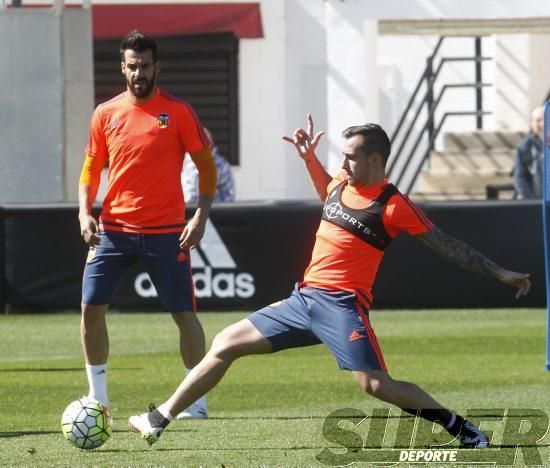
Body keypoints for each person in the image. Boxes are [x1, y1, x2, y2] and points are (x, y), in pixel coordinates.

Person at [128, 115, 531, 447]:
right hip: (303, 300)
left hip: (343, 306)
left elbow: (447, 245)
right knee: (224, 344)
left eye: (352, 157)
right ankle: (160, 418)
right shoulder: (342, 179)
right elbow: (330, 198)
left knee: (375, 384)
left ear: (375, 159)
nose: (344, 163)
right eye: (342, 156)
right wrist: (309, 159)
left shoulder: (392, 205)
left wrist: (500, 272)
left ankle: (461, 428)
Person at [78, 30, 217, 421]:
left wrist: (200, 216)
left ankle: (196, 402)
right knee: (90, 309)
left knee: (184, 315)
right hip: (113, 230)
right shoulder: (105, 113)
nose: (139, 72)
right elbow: (90, 168)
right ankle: (98, 400)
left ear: (158, 67)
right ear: (122, 67)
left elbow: (206, 168)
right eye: (132, 66)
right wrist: (84, 212)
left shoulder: (179, 111)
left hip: (167, 232)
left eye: (145, 66)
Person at [182, 128, 236, 203]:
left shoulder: (221, 165)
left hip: (212, 211)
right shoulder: (182, 162)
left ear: (211, 143)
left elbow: (228, 194)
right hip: (186, 210)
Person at [513, 106, 543, 199]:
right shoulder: (525, 147)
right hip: (537, 204)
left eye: (546, 119)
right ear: (531, 123)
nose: (543, 124)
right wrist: (531, 203)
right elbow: (520, 178)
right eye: (538, 120)